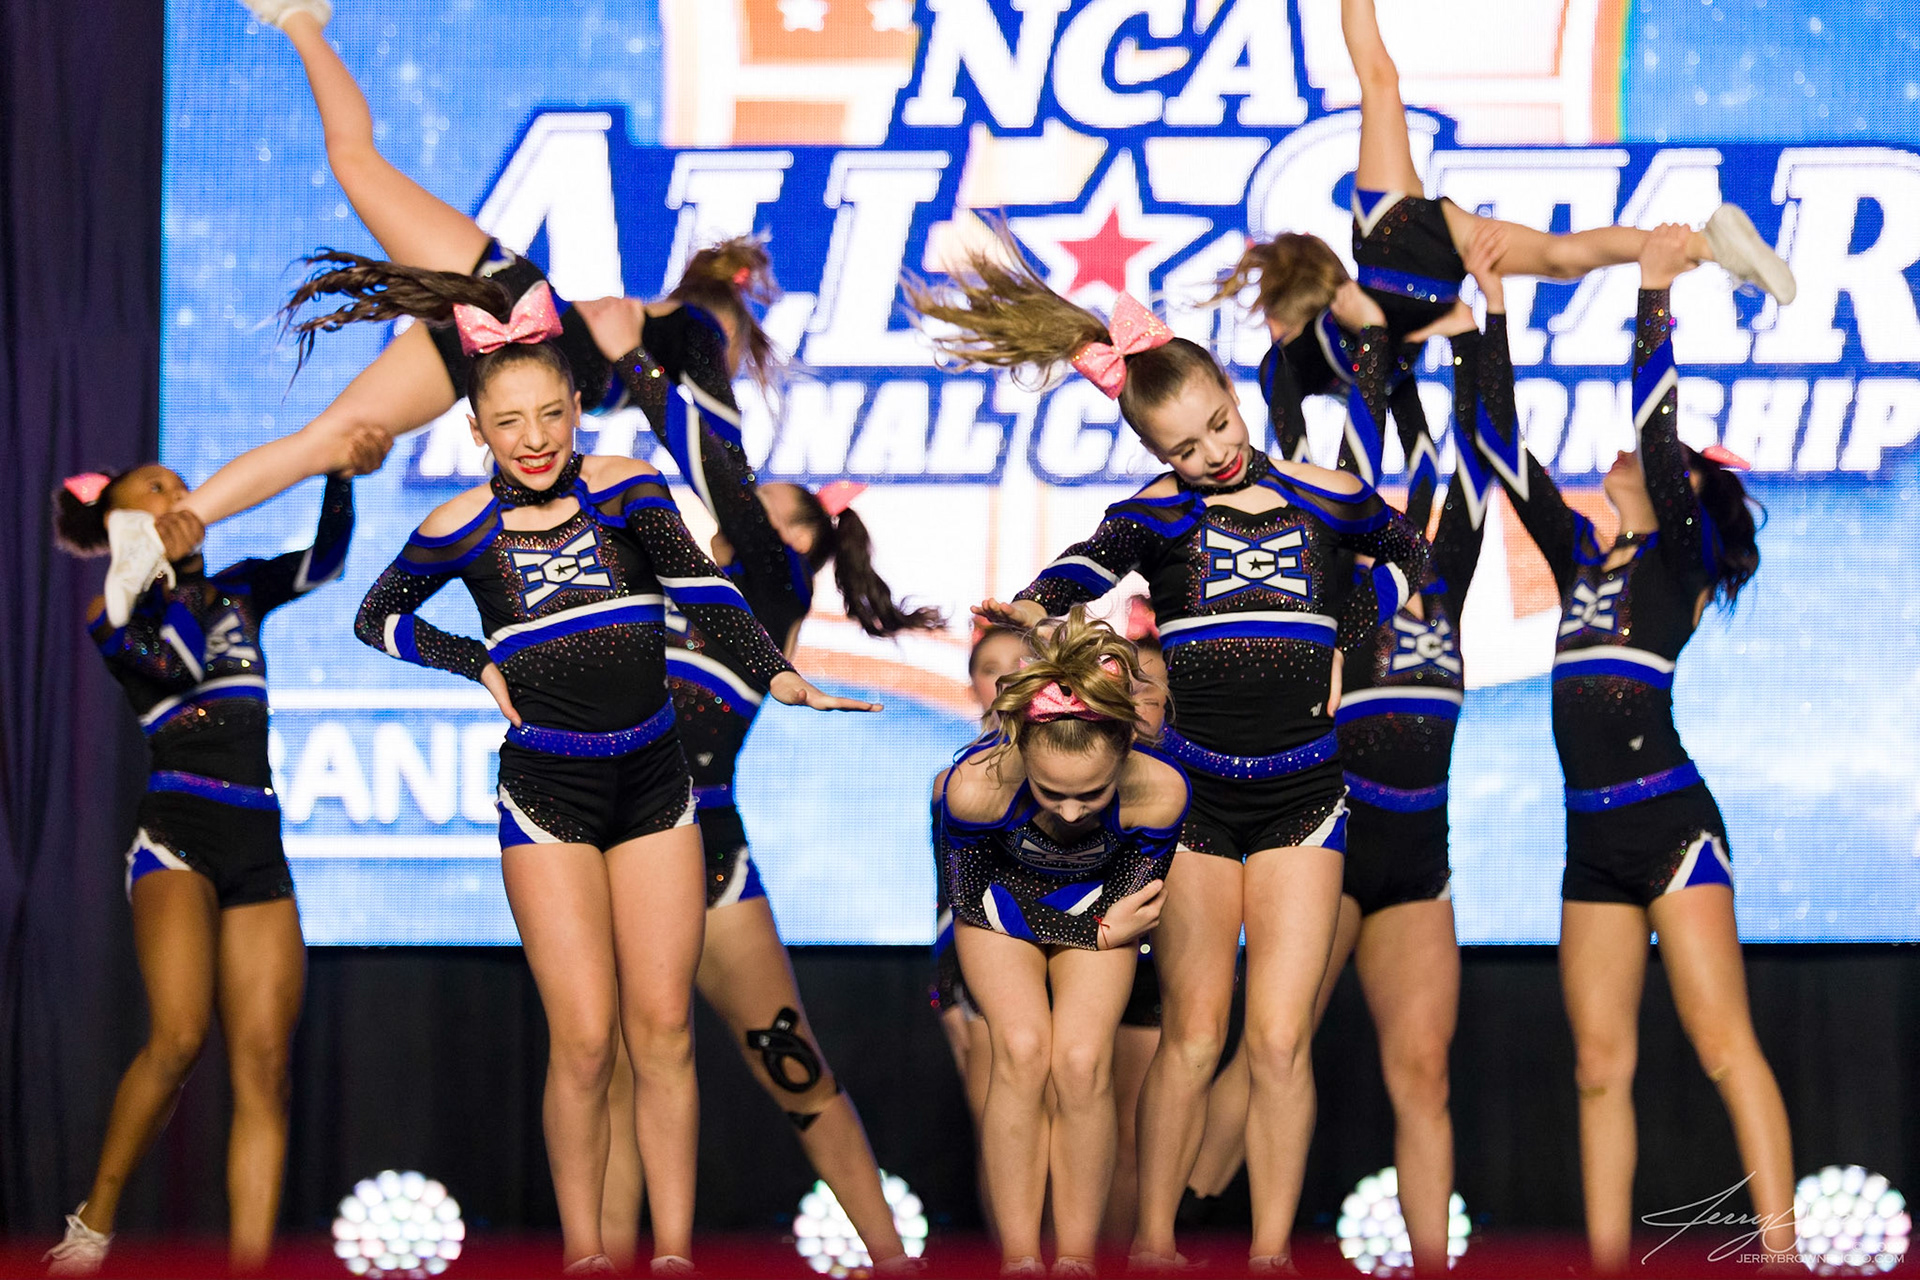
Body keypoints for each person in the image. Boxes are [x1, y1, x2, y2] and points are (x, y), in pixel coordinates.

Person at [313, 261, 869, 1274]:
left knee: (690, 1040)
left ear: (577, 410)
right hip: (551, 796)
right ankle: (588, 1256)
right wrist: (474, 659)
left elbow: (706, 565)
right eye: (508, 421)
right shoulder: (463, 527)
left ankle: (692, 1254)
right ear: (477, 430)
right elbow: (375, 616)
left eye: (550, 414)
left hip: (669, 801)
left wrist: (778, 674)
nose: (532, 437)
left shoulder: (661, 511)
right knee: (587, 1044)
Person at [907, 235, 1430, 1272]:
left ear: (1234, 394)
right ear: (1157, 451)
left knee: (1278, 1039)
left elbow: (1411, 550)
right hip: (1196, 805)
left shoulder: (1326, 494)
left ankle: (1272, 1252)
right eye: (1185, 448)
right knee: (1192, 1034)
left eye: (1219, 425)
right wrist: (1030, 607)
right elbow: (1075, 571)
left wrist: (1349, 629)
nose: (1212, 454)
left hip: (1305, 797)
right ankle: (1153, 1243)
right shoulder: (1155, 516)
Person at [571, 280, 941, 1274]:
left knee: (792, 1064)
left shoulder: (773, 583)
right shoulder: (668, 567)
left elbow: (719, 468)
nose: (750, 500)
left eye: (774, 506)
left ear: (805, 543)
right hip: (611, 830)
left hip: (705, 844)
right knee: (615, 1068)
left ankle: (892, 1257)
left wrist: (644, 358)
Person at [1460, 225, 1794, 1272]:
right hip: (1591, 844)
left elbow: (1656, 431)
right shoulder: (1583, 560)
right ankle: (1609, 1262)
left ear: (1677, 483)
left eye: (1650, 457)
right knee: (1598, 1067)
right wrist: (1492, 308)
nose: (1621, 452)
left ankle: (1783, 1254)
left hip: (1672, 829)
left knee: (1722, 1045)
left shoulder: (1678, 559)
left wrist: (1655, 288)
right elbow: (1499, 448)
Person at [1217, 0, 1796, 494]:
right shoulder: (1359, 363)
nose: (1267, 327)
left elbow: (1300, 463)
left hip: (1394, 246)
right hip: (1429, 268)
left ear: (1284, 314)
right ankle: (1706, 245)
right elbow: (1406, 444)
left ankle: (1705, 245)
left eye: (1269, 316)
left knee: (1379, 83)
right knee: (1560, 259)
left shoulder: (1294, 360)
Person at [1265, 223, 1509, 1275]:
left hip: (1418, 862)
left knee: (1424, 1075)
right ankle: (1195, 1222)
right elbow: (1355, 454)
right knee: (1270, 1051)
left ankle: (1432, 1266)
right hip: (1328, 843)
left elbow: (1484, 450)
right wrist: (1369, 341)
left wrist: (1481, 330)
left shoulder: (1447, 573)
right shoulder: (1338, 569)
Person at [44, 462, 357, 1276]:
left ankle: (249, 1265)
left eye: (182, 483)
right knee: (180, 1037)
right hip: (177, 833)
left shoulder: (239, 590)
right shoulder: (114, 613)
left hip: (258, 837)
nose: (177, 494)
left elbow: (326, 560)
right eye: (154, 489)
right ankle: (94, 1221)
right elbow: (178, 663)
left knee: (266, 1069)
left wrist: (340, 474)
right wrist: (177, 574)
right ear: (119, 522)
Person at [935, 608, 1190, 1276]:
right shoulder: (976, 786)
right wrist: (1093, 932)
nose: (1072, 812)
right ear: (1020, 747)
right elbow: (971, 898)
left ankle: (1077, 1258)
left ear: (1124, 752)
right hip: (1000, 904)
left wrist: (1096, 929)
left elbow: (1127, 907)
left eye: (1091, 795)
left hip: (1097, 901)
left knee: (1080, 1062)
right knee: (1021, 1051)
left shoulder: (1159, 792)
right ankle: (1020, 1258)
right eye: (1052, 793)